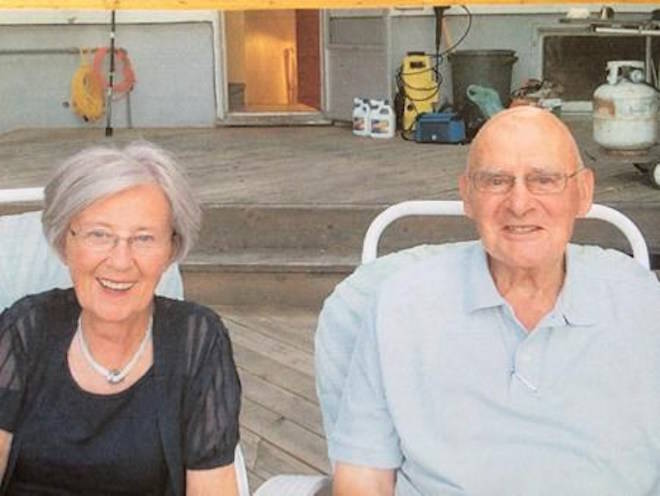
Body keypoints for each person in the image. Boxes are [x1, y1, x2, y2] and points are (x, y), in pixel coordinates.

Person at [327, 106, 660, 495]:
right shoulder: (401, 305)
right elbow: (363, 475)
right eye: (496, 181)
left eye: (544, 179)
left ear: (583, 193)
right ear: (467, 195)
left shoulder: (640, 302)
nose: (519, 203)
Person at [0, 142, 241, 495]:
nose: (120, 261)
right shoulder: (25, 330)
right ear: (66, 243)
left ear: (170, 249)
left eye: (144, 238)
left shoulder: (197, 341)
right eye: (99, 235)